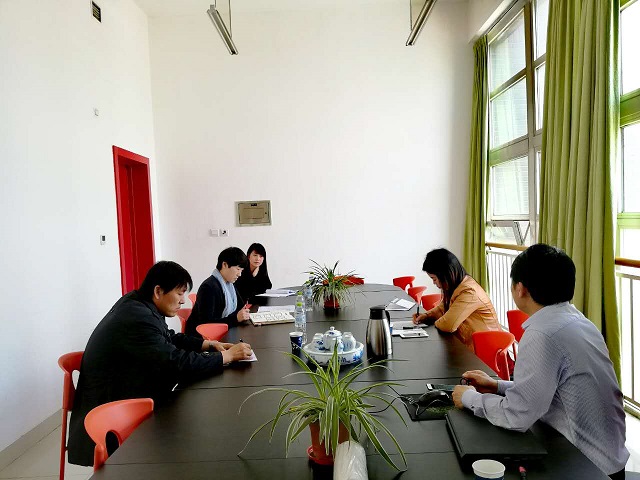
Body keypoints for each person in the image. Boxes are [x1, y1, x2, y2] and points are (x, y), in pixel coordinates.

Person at [452, 244, 629, 479]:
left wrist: (468, 398)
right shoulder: (578, 321)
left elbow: (518, 415)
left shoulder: (542, 333)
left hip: (584, 464)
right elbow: (548, 389)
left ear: (520, 289)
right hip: (610, 459)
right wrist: (497, 386)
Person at [67, 261, 253, 466]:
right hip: (113, 413)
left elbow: (168, 337)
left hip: (124, 392)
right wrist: (226, 357)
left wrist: (208, 344)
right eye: (179, 293)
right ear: (158, 291)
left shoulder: (138, 303)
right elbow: (175, 363)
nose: (183, 301)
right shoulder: (138, 317)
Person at [412, 248, 500, 350]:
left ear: (445, 274)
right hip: (472, 345)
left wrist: (436, 321)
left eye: (434, 279)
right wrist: (426, 316)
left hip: (488, 350)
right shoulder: (457, 286)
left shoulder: (469, 292)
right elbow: (442, 309)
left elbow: (448, 325)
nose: (434, 283)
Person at [186, 247, 251, 337]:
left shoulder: (229, 284)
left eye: (241, 270)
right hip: (202, 337)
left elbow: (241, 306)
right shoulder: (209, 287)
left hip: (221, 332)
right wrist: (235, 318)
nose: (239, 274)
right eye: (238, 269)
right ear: (224, 265)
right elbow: (207, 323)